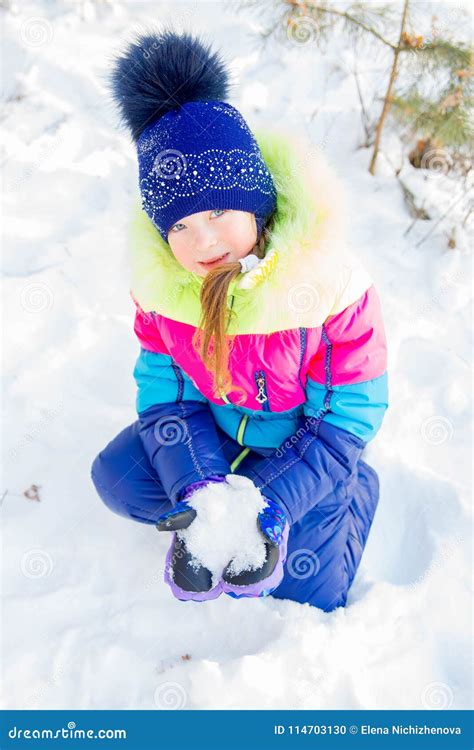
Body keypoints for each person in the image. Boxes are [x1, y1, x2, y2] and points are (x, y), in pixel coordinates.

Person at [91, 29, 389, 611]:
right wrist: (201, 491)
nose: (202, 242)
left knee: (308, 594)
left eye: (219, 210)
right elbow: (168, 402)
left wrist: (267, 502)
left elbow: (346, 416)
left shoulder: (329, 284)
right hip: (221, 438)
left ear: (257, 203)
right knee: (119, 480)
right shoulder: (166, 293)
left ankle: (351, 494)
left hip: (306, 449)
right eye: (177, 226)